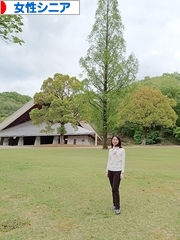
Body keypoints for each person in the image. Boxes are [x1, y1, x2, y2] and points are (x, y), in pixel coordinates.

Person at [106, 135, 125, 215]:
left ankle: (118, 207)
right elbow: (109, 160)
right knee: (112, 188)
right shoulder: (110, 150)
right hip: (110, 170)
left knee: (115, 188)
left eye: (116, 139)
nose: (114, 141)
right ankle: (114, 204)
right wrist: (107, 170)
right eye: (113, 139)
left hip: (117, 171)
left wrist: (122, 172)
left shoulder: (122, 150)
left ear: (119, 141)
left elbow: (123, 161)